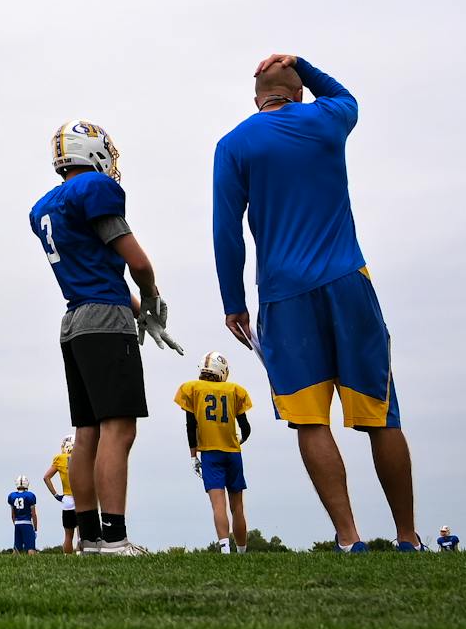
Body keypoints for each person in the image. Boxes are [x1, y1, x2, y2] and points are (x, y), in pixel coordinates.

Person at [213, 55, 422, 552]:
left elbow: (227, 230)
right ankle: (408, 536)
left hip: (284, 295)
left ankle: (350, 538)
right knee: (380, 414)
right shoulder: (326, 119)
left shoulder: (233, 143)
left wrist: (233, 301)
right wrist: (303, 64)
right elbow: (347, 98)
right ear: (300, 91)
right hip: (348, 278)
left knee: (310, 419)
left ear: (256, 97)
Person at [30, 121, 185, 556]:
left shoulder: (46, 205)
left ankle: (91, 538)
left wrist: (139, 311)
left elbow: (95, 275)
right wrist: (151, 296)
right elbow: (137, 263)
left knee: (86, 433)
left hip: (75, 318)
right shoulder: (95, 188)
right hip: (104, 320)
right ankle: (115, 538)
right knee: (119, 429)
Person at [176, 350, 254, 553]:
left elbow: (190, 426)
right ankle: (242, 552)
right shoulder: (235, 390)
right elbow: (245, 428)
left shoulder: (192, 389)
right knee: (237, 506)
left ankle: (225, 550)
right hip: (233, 452)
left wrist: (193, 456)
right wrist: (240, 439)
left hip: (210, 453)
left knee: (218, 504)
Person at [43, 437, 77, 553]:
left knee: (68, 535)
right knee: (83, 534)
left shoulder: (60, 459)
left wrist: (56, 495)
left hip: (67, 499)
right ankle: (83, 555)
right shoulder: (84, 456)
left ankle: (67, 558)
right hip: (82, 498)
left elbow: (46, 477)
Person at [7, 475, 40, 554]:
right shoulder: (30, 495)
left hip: (17, 523)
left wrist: (16, 524)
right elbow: (34, 514)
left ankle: (13, 565)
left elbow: (13, 515)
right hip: (27, 523)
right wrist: (35, 528)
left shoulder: (12, 496)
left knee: (17, 549)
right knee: (31, 548)